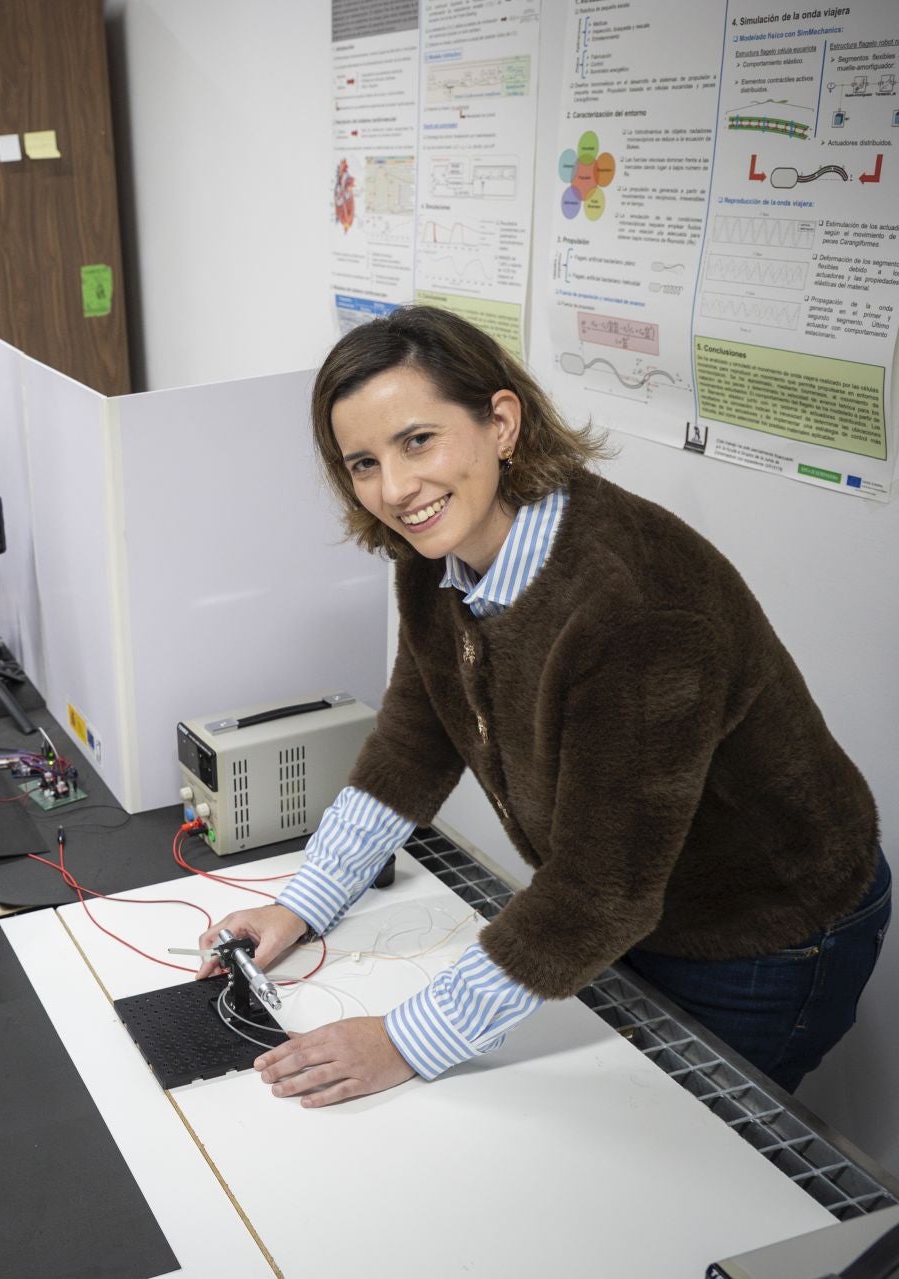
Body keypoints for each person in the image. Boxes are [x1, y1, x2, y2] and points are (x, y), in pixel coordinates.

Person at [201, 304, 886, 1106]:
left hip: (765, 933)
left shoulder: (636, 605)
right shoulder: (436, 554)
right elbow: (414, 741)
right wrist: (303, 903)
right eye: (362, 462)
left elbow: (603, 892)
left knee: (691, 1177)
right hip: (630, 906)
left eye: (418, 440)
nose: (395, 488)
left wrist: (400, 1040)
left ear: (500, 422)